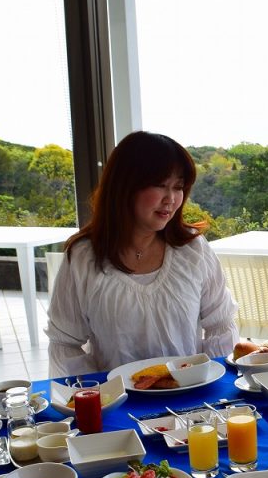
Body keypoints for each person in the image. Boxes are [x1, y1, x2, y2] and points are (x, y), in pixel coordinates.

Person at [47, 131, 238, 377]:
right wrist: (97, 395)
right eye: (160, 185)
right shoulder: (84, 257)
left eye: (178, 187)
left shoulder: (193, 249)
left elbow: (220, 325)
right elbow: (65, 343)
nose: (171, 199)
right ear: (125, 186)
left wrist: (214, 383)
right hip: (119, 404)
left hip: (190, 396)